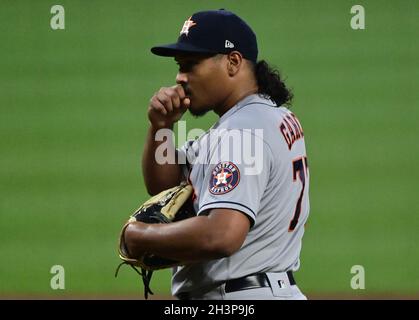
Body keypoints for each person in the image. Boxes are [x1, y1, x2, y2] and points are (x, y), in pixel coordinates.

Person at [124, 9, 310, 300]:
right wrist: (162, 127)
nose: (179, 77)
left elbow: (221, 234)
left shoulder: (242, 132)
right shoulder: (266, 116)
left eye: (191, 65)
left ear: (233, 62)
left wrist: (141, 236)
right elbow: (167, 187)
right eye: (179, 65)